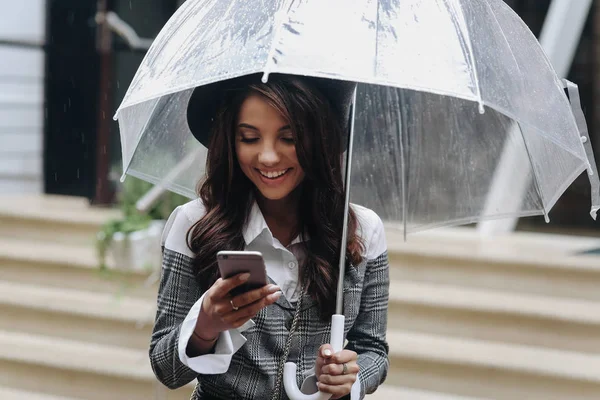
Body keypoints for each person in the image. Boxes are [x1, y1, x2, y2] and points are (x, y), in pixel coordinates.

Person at [149, 74, 389, 400]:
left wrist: (351, 379)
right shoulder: (195, 224)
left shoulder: (362, 230)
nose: (268, 157)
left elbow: (373, 348)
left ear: (319, 140)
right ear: (230, 142)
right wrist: (205, 326)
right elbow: (166, 370)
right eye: (249, 138)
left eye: (289, 138)